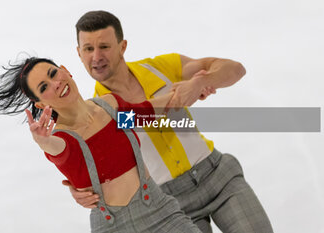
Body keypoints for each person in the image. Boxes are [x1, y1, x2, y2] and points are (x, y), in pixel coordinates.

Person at [64, 10, 274, 233]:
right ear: (79, 53)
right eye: (88, 49)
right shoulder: (96, 114)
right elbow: (95, 168)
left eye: (104, 46)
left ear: (122, 47)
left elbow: (235, 69)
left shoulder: (160, 68)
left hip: (218, 177)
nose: (96, 57)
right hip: (170, 206)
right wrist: (79, 190)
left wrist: (201, 82)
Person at [0, 57, 203, 233]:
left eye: (53, 74)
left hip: (160, 211)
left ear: (65, 70)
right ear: (40, 103)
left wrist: (190, 87)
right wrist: (42, 141)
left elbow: (144, 115)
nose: (56, 84)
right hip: (114, 227)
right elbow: (59, 151)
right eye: (44, 86)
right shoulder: (62, 138)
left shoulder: (109, 105)